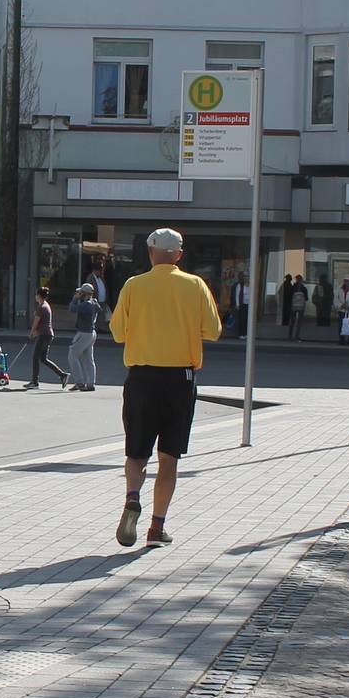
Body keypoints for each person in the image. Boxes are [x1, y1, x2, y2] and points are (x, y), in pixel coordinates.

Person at [110, 228, 222, 548]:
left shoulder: (134, 285)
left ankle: (133, 496)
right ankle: (156, 528)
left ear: (150, 252)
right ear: (179, 255)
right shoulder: (195, 285)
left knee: (136, 451)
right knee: (169, 457)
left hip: (142, 377)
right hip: (180, 380)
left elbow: (118, 332)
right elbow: (212, 330)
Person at [26, 285, 68, 389]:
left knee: (35, 357)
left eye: (36, 294)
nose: (35, 296)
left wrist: (31, 333)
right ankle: (62, 375)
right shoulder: (46, 305)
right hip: (47, 334)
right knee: (43, 359)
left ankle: (34, 382)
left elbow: (36, 322)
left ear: (39, 295)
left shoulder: (41, 307)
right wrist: (36, 332)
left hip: (44, 335)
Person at [68, 283, 102, 391]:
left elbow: (72, 309)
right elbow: (99, 309)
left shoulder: (86, 305)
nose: (79, 294)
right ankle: (91, 383)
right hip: (91, 333)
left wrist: (74, 299)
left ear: (85, 294)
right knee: (88, 359)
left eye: (80, 293)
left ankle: (79, 382)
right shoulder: (93, 303)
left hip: (84, 333)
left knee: (72, 356)